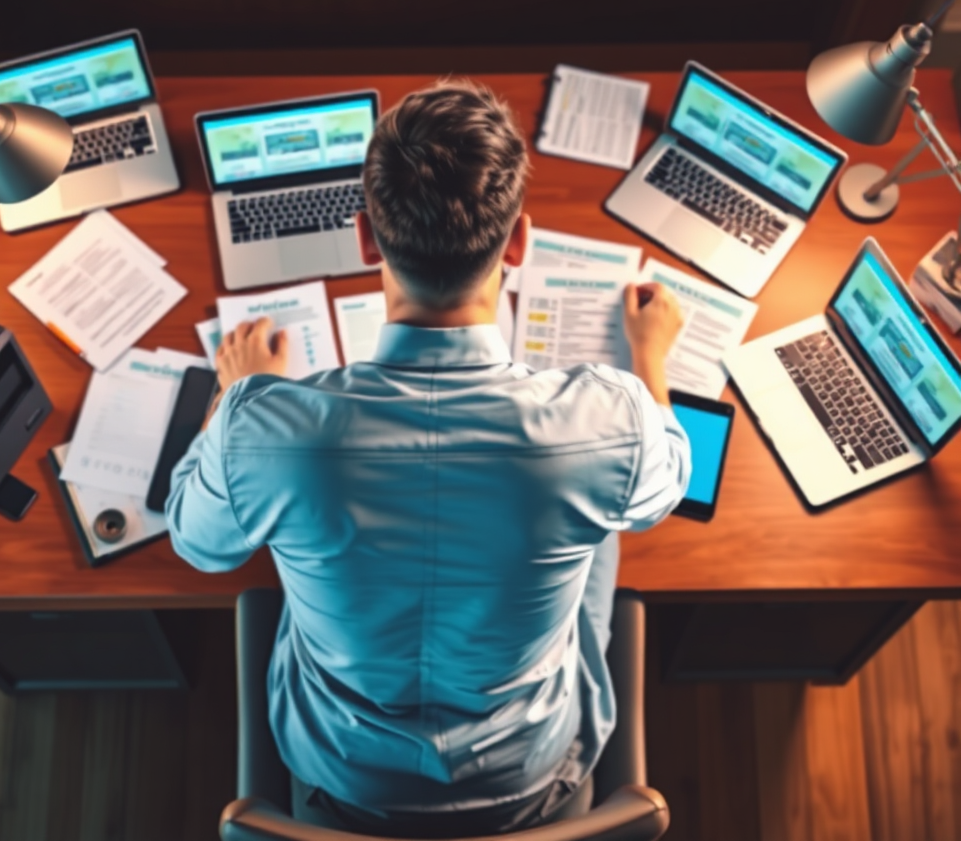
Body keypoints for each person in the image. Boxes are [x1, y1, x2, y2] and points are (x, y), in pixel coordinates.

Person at [166, 80, 690, 836]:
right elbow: (667, 483)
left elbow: (196, 542)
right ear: (517, 243)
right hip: (530, 777)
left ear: (366, 240)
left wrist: (237, 394)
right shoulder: (611, 420)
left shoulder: (264, 428)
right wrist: (651, 359)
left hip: (343, 779)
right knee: (605, 517)